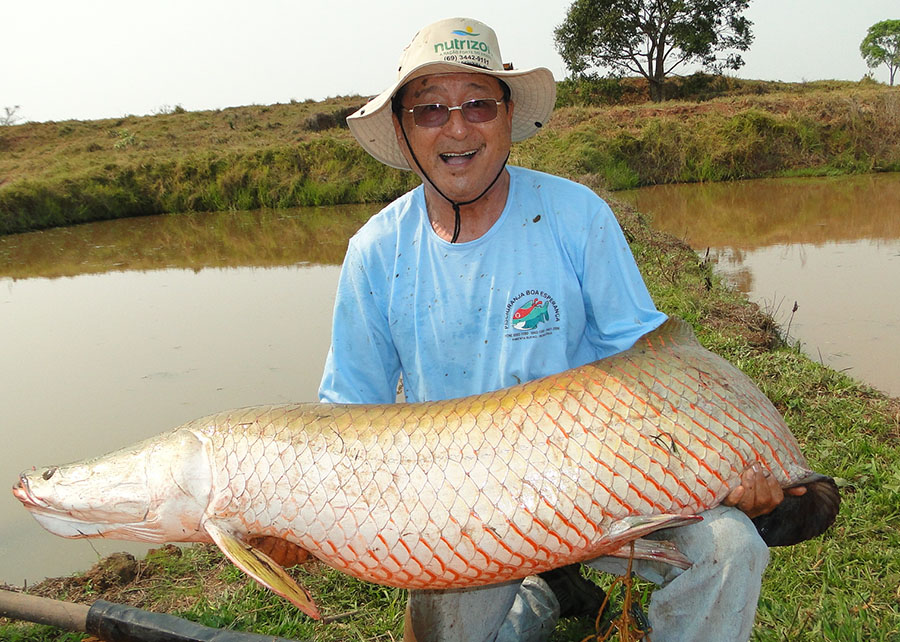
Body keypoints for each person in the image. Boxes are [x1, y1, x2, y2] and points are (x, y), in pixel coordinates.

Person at [319, 17, 798, 642]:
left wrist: (730, 462)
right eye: (431, 109)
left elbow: (655, 360)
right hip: (462, 501)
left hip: (609, 478)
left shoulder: (576, 215)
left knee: (729, 548)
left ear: (508, 115)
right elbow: (348, 414)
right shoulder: (376, 250)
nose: (457, 128)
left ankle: (575, 583)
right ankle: (548, 591)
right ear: (405, 131)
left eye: (478, 105)